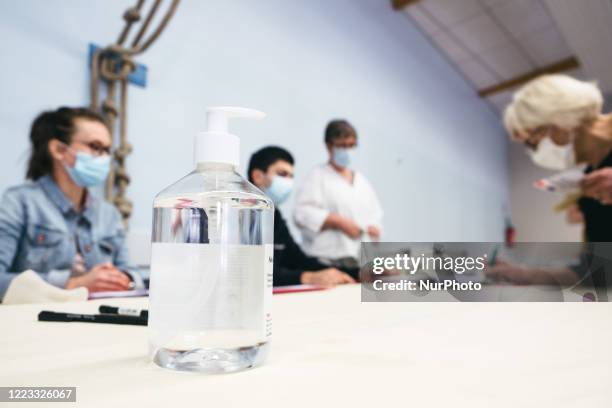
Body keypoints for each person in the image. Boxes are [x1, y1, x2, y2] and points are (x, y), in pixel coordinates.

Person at [0, 107, 142, 300]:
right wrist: (73, 284)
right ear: (59, 150)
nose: (104, 158)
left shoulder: (109, 214)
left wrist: (125, 280)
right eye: (95, 146)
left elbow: (133, 274)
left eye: (107, 150)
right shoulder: (18, 202)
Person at [489, 75, 612, 285]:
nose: (536, 152)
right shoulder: (593, 185)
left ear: (560, 119)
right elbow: (598, 269)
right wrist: (526, 275)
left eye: (533, 141)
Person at [248, 146, 355, 287]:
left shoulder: (275, 217)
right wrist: (308, 278)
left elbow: (300, 261)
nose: (288, 182)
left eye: (291, 176)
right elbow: (253, 273)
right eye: (282, 174)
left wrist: (357, 273)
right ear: (258, 176)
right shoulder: (243, 217)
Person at [293, 119, 383, 273]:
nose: (347, 150)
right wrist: (337, 221)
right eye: (342, 146)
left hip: (358, 263)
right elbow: (301, 214)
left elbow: (375, 215)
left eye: (351, 146)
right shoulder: (318, 176)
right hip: (324, 263)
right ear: (329, 146)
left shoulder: (362, 181)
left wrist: (374, 228)